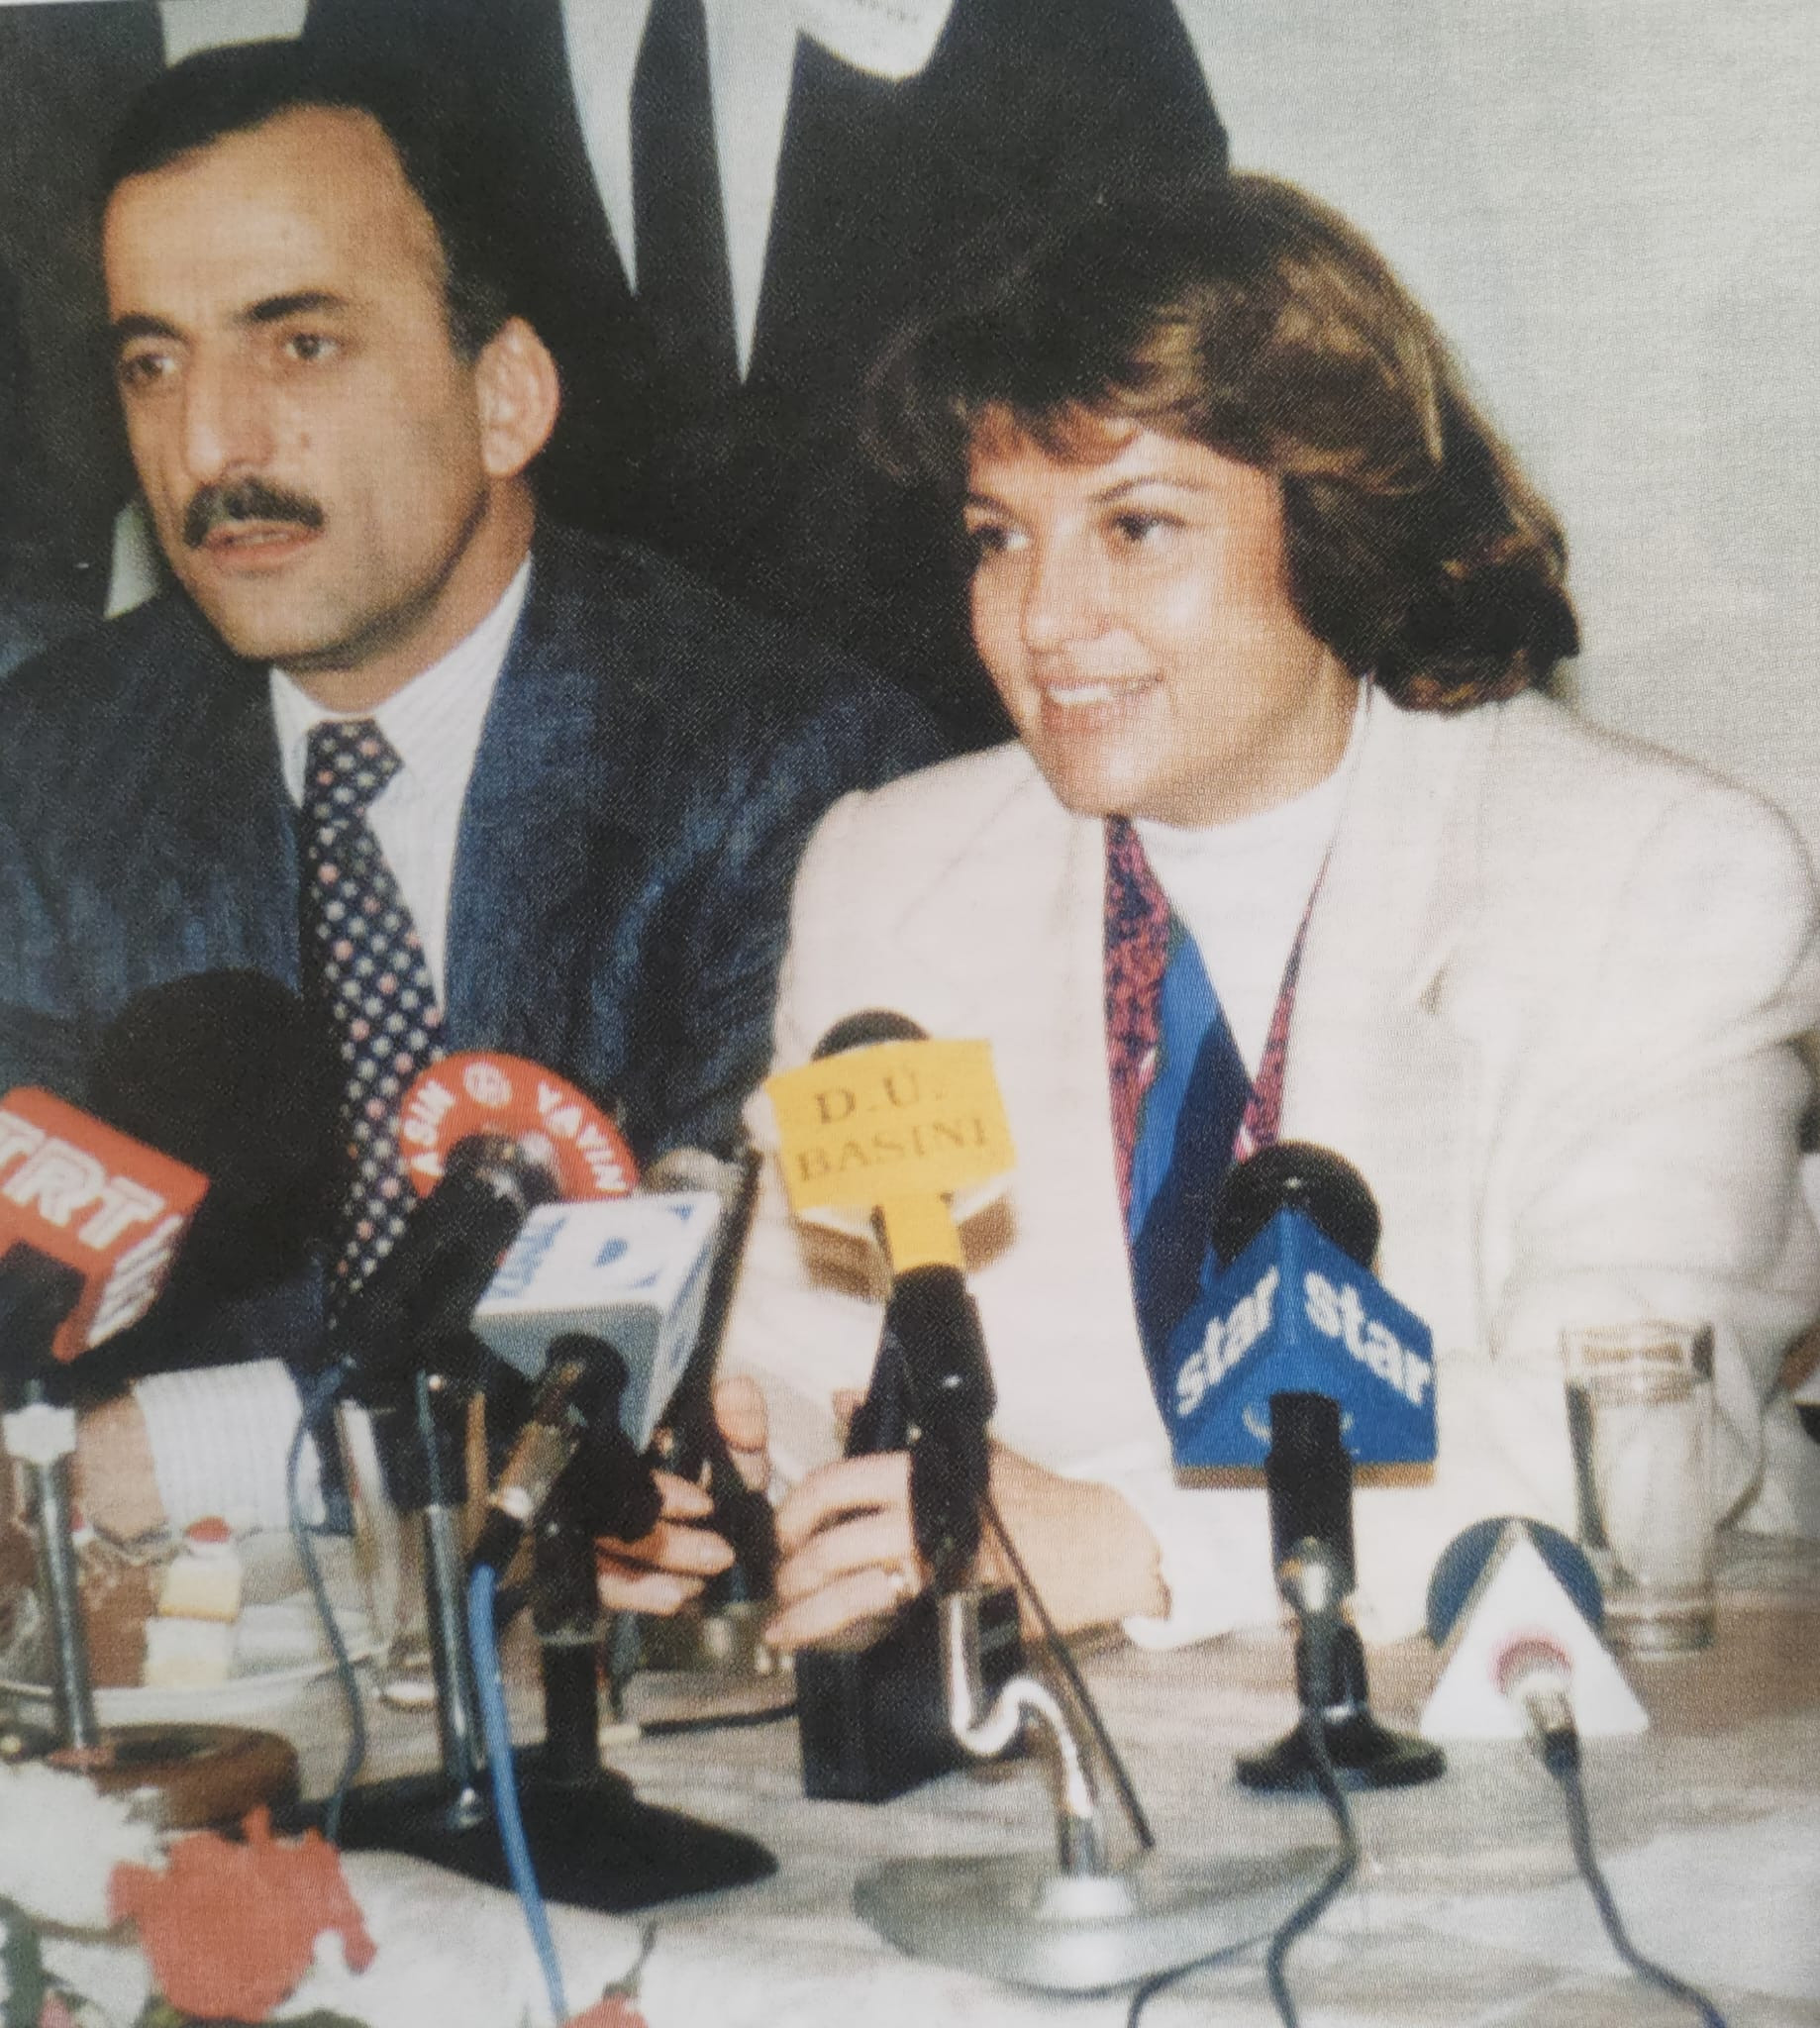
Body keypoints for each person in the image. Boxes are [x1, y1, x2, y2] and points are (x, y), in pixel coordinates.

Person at [717, 174, 1820, 1649]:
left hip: (1571, 1713)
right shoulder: (887, 868)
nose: (1041, 620)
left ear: (1335, 526)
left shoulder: (1658, 870)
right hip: (1063, 1735)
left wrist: (1132, 1542)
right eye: (998, 537)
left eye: (1134, 528)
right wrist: (723, 1481)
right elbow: (802, 1360)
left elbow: (1624, 1422)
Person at [0, 44, 941, 1576]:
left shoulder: (781, 770)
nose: (212, 446)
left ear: (505, 397)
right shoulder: (47, 770)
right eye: (152, 365)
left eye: (299, 345)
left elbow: (700, 1368)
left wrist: (174, 1448)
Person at [296, 0, 1228, 744]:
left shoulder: (1064, 25)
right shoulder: (395, 26)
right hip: (537, 810)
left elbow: (1164, 434)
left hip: (966, 807)